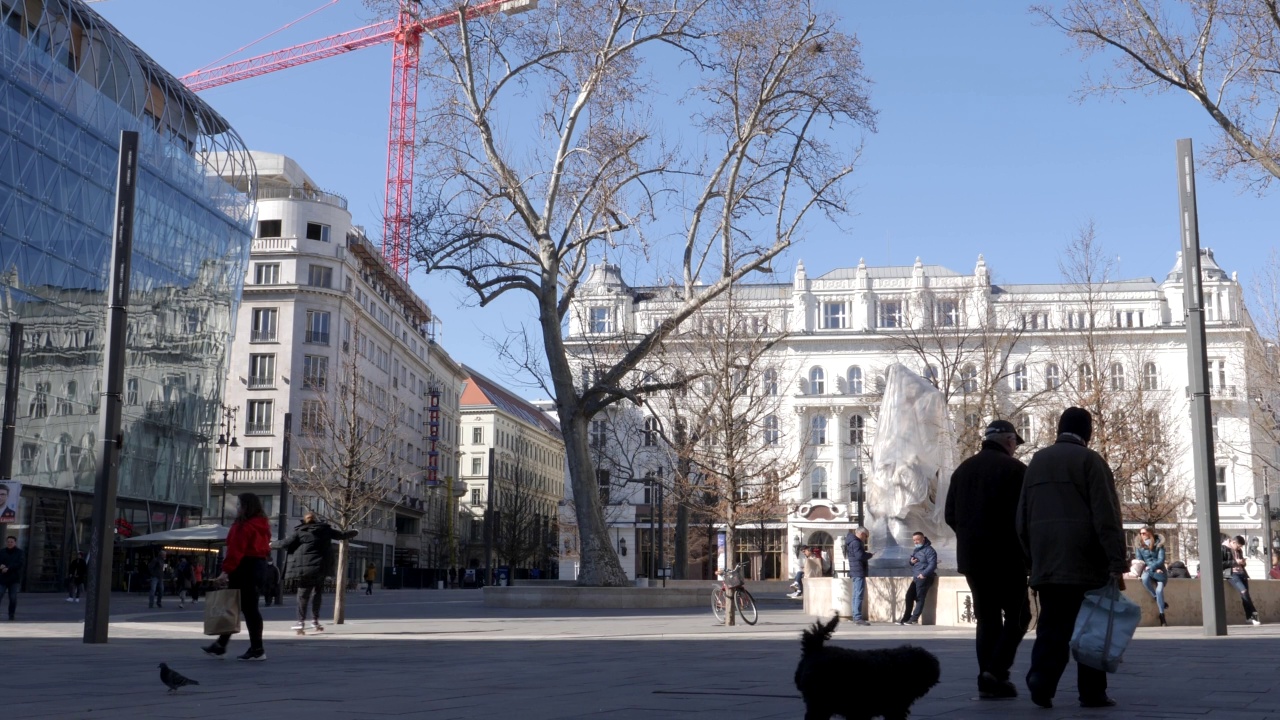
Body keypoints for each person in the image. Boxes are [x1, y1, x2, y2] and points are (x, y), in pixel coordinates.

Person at [1017, 407, 1127, 710]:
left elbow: (1021, 518)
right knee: (1092, 630)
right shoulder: (1091, 461)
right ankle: (1092, 693)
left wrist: (1032, 559)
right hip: (1086, 564)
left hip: (1048, 563)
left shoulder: (1036, 463)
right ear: (1088, 432)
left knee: (1052, 626)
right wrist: (1116, 562)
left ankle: (1041, 678)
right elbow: (1107, 516)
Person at [944, 418, 1030, 699]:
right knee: (1019, 616)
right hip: (1007, 557)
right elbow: (1026, 516)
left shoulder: (963, 471)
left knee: (987, 618)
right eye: (1015, 442)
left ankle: (987, 678)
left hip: (973, 558)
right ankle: (996, 670)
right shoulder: (1016, 470)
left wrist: (970, 536)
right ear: (1008, 440)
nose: (1016, 448)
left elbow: (950, 515)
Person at [203, 493, 271, 661]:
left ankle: (256, 649)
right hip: (259, 567)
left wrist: (225, 571)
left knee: (241, 608)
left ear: (246, 507)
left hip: (244, 568)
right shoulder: (262, 525)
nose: (237, 508)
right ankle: (222, 645)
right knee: (245, 607)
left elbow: (235, 550)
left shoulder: (243, 526)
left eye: (239, 505)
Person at [272, 512, 358, 633]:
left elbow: (285, 543)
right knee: (317, 592)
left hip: (305, 569)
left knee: (303, 595)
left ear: (305, 521)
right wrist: (354, 532)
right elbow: (342, 535)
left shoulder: (300, 531)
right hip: (320, 568)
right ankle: (315, 620)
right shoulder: (325, 530)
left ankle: (301, 622)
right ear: (316, 520)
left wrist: (270, 544)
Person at [895, 532, 937, 626]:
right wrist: (911, 562)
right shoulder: (916, 550)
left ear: (923, 539)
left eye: (917, 540)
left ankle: (914, 619)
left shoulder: (929, 550)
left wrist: (924, 574)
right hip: (916, 577)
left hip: (924, 577)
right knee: (909, 596)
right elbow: (913, 562)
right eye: (914, 540)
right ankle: (906, 618)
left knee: (919, 598)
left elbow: (932, 564)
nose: (915, 542)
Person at [1223, 535, 1261, 625]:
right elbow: (1220, 563)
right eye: (1239, 546)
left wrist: (1243, 563)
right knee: (1244, 591)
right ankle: (1254, 614)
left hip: (1242, 573)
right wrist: (1235, 562)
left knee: (1246, 594)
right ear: (1233, 542)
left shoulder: (1239, 550)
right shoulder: (1223, 548)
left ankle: (1249, 617)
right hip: (1231, 574)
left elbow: (1241, 563)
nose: (1239, 548)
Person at [1135, 527, 1169, 626]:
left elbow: (1161, 559)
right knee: (1145, 579)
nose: (1142, 535)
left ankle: (1162, 615)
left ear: (1150, 533)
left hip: (1160, 570)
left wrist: (1153, 567)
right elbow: (1140, 561)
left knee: (1159, 590)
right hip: (1147, 570)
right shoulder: (1139, 546)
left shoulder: (1159, 545)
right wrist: (1146, 568)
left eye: (1144, 533)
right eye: (1141, 533)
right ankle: (1155, 597)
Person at [843, 528, 873, 626]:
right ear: (862, 534)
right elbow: (860, 556)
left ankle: (855, 615)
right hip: (859, 571)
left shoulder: (851, 541)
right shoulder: (856, 543)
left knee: (856, 594)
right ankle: (857, 617)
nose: (866, 539)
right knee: (859, 594)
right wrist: (869, 555)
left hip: (855, 571)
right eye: (866, 536)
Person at [0, 536, 24, 620]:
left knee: (13, 597)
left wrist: (8, 568)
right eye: (8, 542)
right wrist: (1, 566)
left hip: (14, 578)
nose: (9, 543)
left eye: (11, 542)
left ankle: (11, 614)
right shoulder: (2, 552)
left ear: (15, 543)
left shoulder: (19, 552)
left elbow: (19, 564)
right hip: (2, 578)